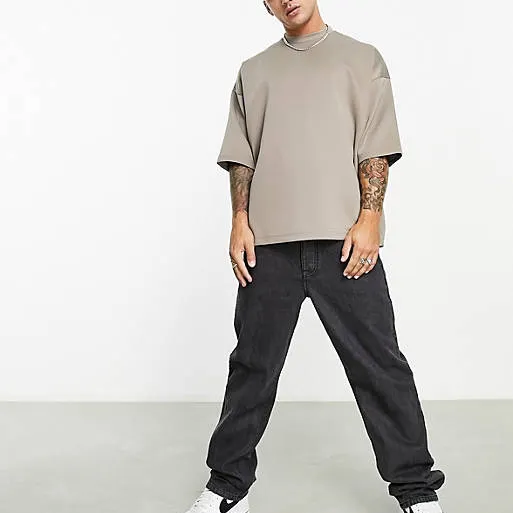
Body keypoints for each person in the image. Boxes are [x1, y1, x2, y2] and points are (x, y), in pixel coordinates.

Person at [184, 1, 445, 512]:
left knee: (380, 366)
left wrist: (370, 219)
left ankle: (416, 489)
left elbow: (375, 146)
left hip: (343, 242)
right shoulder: (254, 71)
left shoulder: (361, 59)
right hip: (268, 246)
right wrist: (239, 220)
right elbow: (242, 156)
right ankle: (227, 487)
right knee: (252, 368)